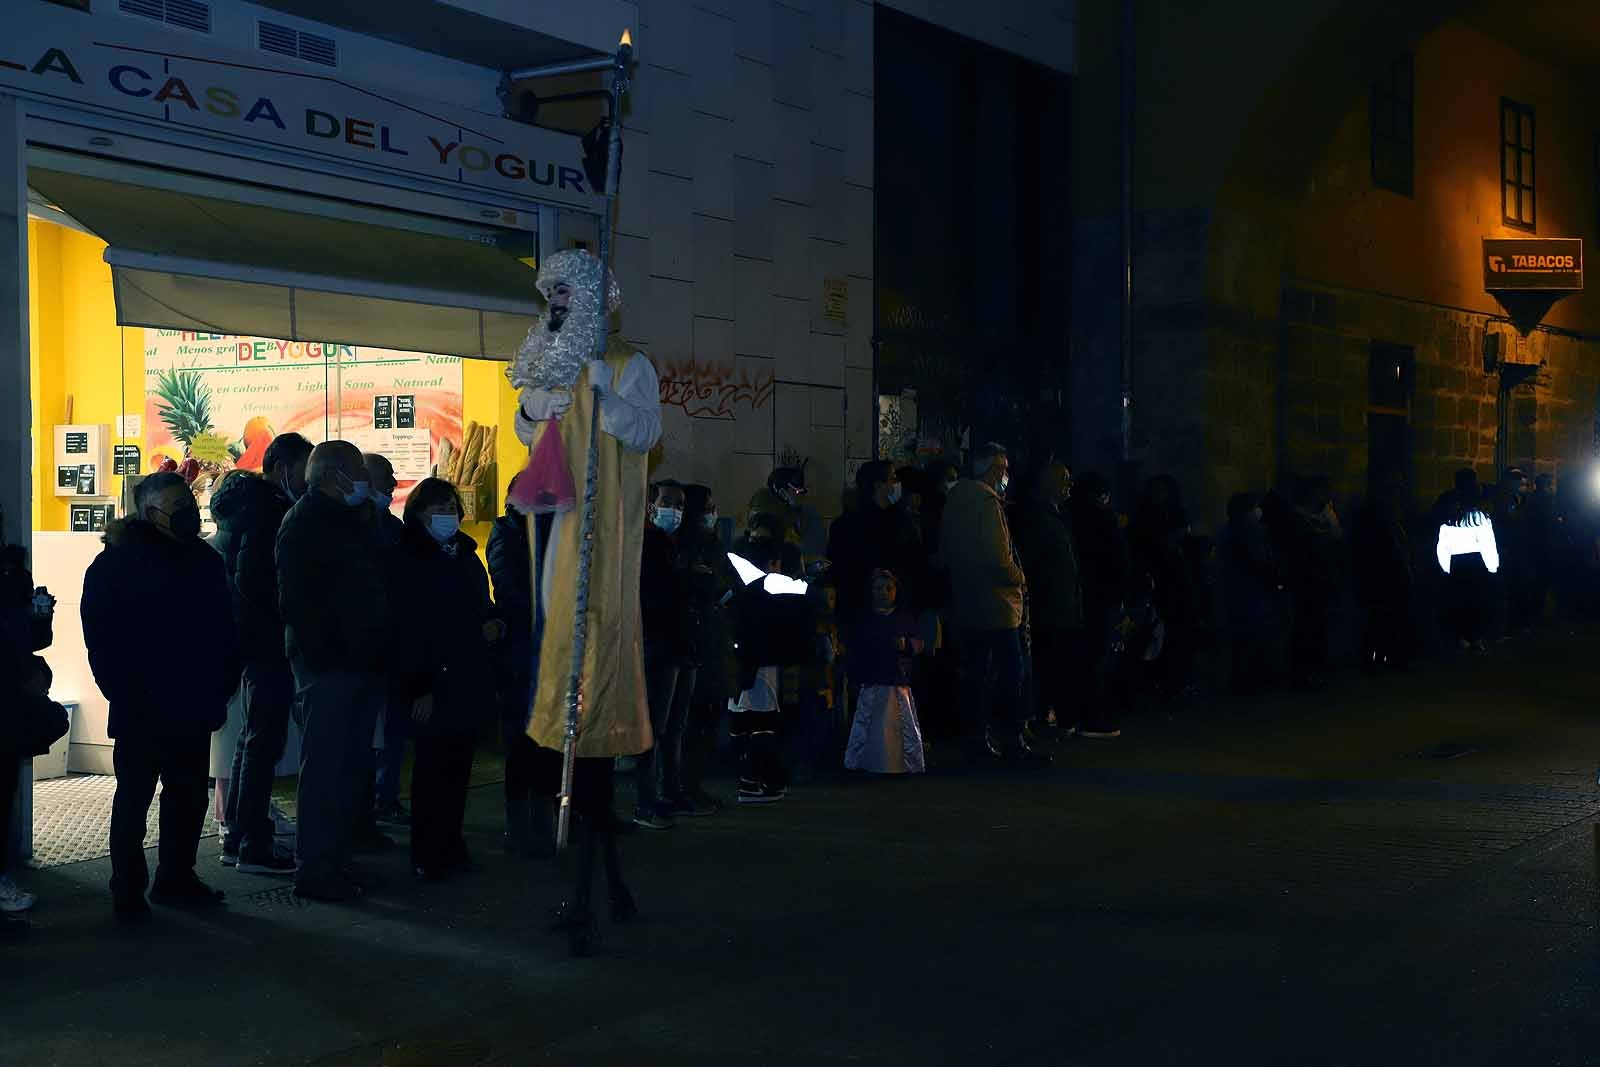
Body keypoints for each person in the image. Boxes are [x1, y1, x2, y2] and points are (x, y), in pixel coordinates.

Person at [507, 248, 661, 953]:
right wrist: (543, 404)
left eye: (569, 293)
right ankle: (602, 880)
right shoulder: (547, 370)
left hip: (600, 551)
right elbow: (526, 434)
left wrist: (607, 395)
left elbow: (647, 432)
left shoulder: (629, 365)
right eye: (551, 295)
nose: (557, 304)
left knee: (591, 694)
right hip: (551, 549)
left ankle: (594, 887)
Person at [82, 473, 241, 922]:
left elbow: (226, 628)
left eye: (188, 498)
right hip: (141, 706)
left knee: (187, 796)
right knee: (134, 797)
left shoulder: (204, 560)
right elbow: (100, 636)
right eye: (176, 502)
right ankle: (127, 889)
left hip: (193, 703)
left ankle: (177, 877)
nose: (187, 508)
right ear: (149, 511)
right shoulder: (115, 565)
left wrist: (222, 684)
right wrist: (123, 691)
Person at [276, 440, 390, 902]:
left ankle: (337, 859)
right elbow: (299, 602)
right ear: (332, 475)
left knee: (347, 767)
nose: (365, 481)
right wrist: (325, 656)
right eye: (358, 472)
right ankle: (315, 868)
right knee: (325, 769)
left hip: (358, 661)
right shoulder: (305, 523)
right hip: (329, 666)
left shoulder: (350, 521)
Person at [209, 432, 311, 876]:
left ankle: (239, 832)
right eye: (305, 469)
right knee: (262, 740)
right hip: (266, 641)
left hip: (248, 640)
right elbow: (261, 582)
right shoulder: (270, 514)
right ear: (283, 468)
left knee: (253, 738)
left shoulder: (246, 510)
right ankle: (251, 840)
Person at [391, 478, 502, 879]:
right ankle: (428, 851)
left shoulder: (465, 555)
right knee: (431, 770)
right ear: (418, 514)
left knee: (458, 768)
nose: (447, 517)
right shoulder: (409, 559)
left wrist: (492, 623)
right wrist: (419, 687)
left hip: (467, 676)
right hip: (432, 680)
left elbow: (479, 604)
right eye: (437, 510)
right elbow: (412, 627)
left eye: (451, 509)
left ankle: (452, 844)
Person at [939, 443, 1047, 765]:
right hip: (998, 606)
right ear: (991, 469)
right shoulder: (986, 503)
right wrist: (1020, 576)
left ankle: (976, 738)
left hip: (969, 602)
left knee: (976, 673)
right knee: (1010, 674)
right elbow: (998, 558)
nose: (1005, 476)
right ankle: (1012, 740)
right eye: (1002, 469)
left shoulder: (955, 500)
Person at [487, 473, 553, 857]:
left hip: (544, 649)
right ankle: (519, 824)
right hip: (522, 653)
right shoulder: (508, 533)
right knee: (521, 742)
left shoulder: (548, 529)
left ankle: (543, 820)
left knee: (546, 742)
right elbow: (510, 588)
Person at [634, 481, 696, 829]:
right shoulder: (647, 545)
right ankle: (647, 799)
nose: (674, 510)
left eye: (680, 504)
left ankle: (669, 791)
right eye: (667, 502)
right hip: (658, 643)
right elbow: (656, 593)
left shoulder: (676, 545)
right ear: (651, 506)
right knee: (653, 728)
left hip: (678, 643)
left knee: (674, 726)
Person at [0, 541, 55, 927]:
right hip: (11, 693)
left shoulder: (14, 575)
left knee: (4, 795)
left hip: (11, 697)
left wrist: (40, 616)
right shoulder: (12, 574)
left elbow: (33, 640)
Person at [1009, 461, 1082, 734]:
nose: (1068, 485)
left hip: (1059, 604)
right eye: (1063, 479)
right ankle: (1042, 716)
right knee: (1049, 663)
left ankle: (1048, 714)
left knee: (1055, 662)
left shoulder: (1053, 517)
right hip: (1050, 606)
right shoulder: (1039, 520)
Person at [362, 452, 411, 833]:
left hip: (393, 645)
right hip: (365, 648)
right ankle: (366, 806)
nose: (393, 483)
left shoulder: (392, 527)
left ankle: (384, 797)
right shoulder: (355, 527)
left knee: (392, 729)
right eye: (387, 476)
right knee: (366, 733)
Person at [844, 570, 927, 774]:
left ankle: (902, 763)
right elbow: (856, 649)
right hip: (872, 679)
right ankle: (865, 762)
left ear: (896, 591)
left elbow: (918, 645)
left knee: (899, 724)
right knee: (869, 722)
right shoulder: (865, 620)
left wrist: (905, 645)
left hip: (897, 681)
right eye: (879, 588)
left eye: (888, 588)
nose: (884, 593)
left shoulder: (904, 619)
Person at [825, 461, 925, 626]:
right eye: (892, 479)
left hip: (892, 612)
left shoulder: (902, 521)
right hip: (862, 613)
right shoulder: (849, 524)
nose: (897, 484)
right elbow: (839, 568)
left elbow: (916, 562)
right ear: (879, 486)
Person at [1068, 472, 1127, 738]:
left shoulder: (1068, 516)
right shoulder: (1103, 518)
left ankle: (1076, 712)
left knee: (1083, 654)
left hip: (1078, 595)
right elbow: (1118, 560)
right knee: (1097, 655)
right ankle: (1093, 716)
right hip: (1101, 595)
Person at [1219, 492, 1283, 694]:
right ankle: (1254, 680)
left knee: (1242, 638)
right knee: (1255, 636)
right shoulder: (1250, 532)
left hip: (1237, 592)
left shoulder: (1227, 531)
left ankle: (1242, 680)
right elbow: (1259, 561)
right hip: (1252, 592)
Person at [1352, 475, 1414, 672]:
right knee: (1382, 619)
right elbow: (1386, 550)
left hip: (1387, 577)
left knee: (1384, 619)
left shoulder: (1388, 519)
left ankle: (1384, 657)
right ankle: (1381, 658)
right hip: (1384, 577)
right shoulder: (1379, 520)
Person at [1436, 469, 1499, 653]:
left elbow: (1443, 543)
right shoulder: (1479, 516)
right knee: (1476, 601)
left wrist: (1445, 566)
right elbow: (1487, 542)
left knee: (1461, 601)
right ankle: (1474, 637)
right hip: (1475, 563)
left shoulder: (1449, 512)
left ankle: (1463, 637)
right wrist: (1492, 565)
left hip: (1457, 563)